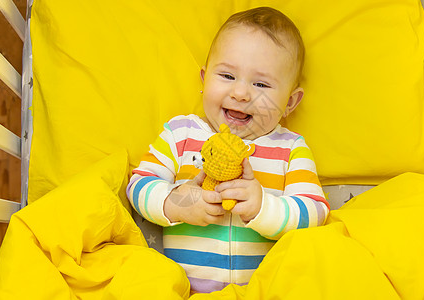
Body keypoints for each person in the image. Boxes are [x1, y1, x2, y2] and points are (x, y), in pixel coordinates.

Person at [127, 6, 329, 294]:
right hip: (183, 288)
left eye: (260, 84)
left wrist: (264, 208)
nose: (240, 93)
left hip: (264, 289)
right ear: (204, 79)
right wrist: (176, 202)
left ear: (290, 103)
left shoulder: (290, 149)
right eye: (227, 76)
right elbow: (138, 186)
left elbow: (315, 211)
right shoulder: (181, 134)